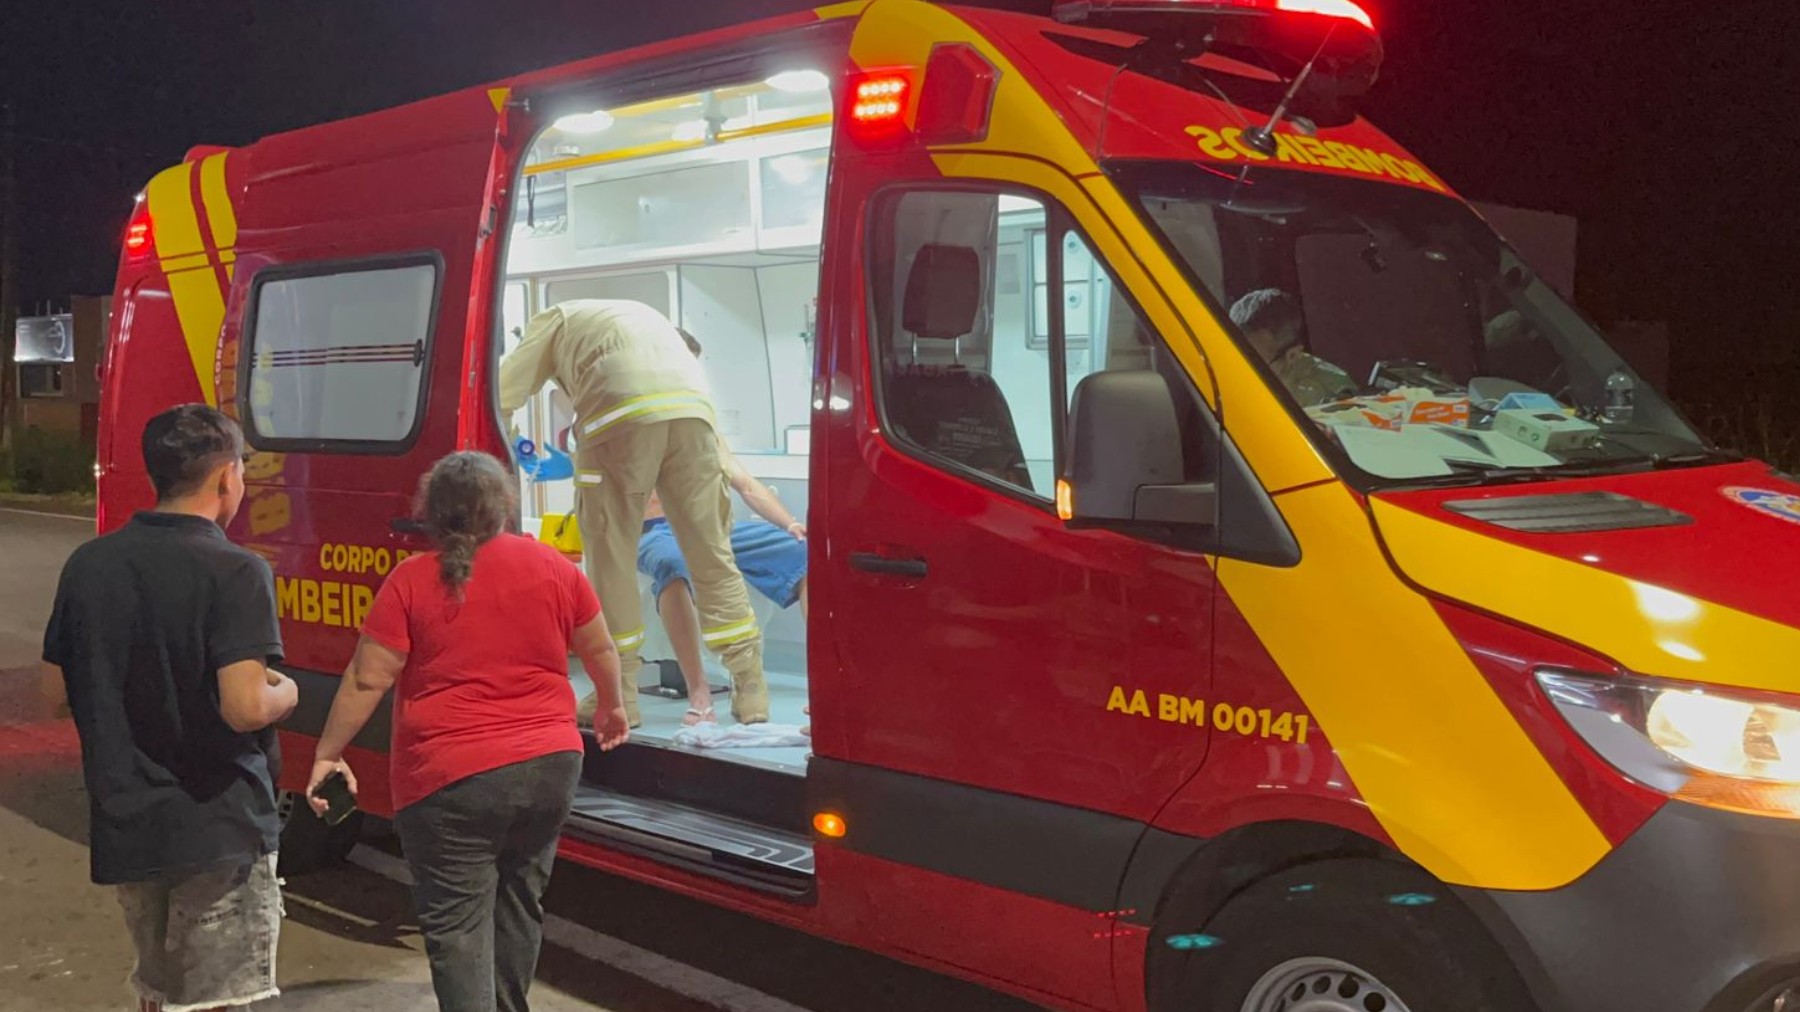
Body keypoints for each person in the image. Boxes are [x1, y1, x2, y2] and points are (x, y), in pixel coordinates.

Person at [305, 451, 628, 1012]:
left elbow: (366, 678)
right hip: (551, 765)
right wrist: (612, 708)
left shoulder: (411, 580)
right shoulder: (552, 565)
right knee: (519, 901)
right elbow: (599, 647)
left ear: (431, 513)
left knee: (458, 926)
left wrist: (327, 753)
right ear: (504, 504)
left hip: (451, 779)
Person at [43, 403, 298, 1012]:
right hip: (216, 823)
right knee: (216, 1000)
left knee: (158, 990)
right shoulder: (237, 571)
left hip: (128, 822)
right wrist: (287, 692)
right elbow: (245, 707)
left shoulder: (90, 564)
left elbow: (56, 694)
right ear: (227, 476)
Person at [498, 299, 768, 727]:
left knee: (613, 561)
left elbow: (501, 393)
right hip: (694, 416)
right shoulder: (640, 316)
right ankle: (750, 686)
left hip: (620, 418)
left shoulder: (552, 320)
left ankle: (619, 694)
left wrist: (510, 444)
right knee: (712, 554)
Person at [639, 329, 808, 725]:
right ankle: (699, 692)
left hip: (713, 526)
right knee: (674, 563)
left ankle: (822, 681)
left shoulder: (700, 424)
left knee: (804, 552)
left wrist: (790, 523)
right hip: (656, 530)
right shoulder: (630, 422)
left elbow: (744, 483)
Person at [1229, 288, 1356, 407]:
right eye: (1234, 359)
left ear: (1293, 355)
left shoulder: (1328, 398)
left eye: (1253, 364)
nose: (1240, 373)